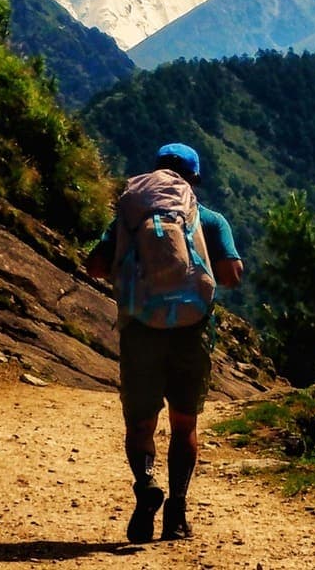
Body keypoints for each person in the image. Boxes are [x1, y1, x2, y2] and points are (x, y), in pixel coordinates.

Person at [80, 141, 244, 543]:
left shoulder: (129, 215)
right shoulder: (210, 220)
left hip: (140, 332)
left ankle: (145, 487)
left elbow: (96, 265)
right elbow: (231, 275)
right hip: (192, 333)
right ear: (194, 179)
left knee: (141, 423)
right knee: (184, 424)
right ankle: (177, 511)